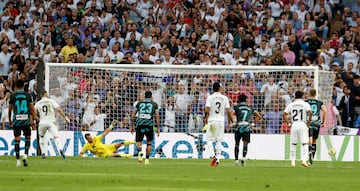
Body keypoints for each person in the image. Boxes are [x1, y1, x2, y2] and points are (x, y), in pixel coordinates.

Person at [204, 82, 235, 167]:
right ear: (219, 88)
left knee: (209, 140)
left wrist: (205, 119)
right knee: (219, 141)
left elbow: (207, 109)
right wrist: (229, 123)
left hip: (212, 120)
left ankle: (212, 155)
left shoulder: (210, 97)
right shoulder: (224, 98)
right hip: (221, 121)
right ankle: (217, 160)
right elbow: (229, 111)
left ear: (213, 88)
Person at [8, 79, 37, 167]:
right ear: (23, 86)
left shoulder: (13, 96)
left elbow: (10, 109)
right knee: (28, 137)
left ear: (16, 86)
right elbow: (32, 108)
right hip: (26, 119)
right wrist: (34, 119)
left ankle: (17, 160)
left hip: (17, 119)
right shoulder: (28, 96)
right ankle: (25, 155)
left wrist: (9, 119)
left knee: (17, 139)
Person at [34, 91, 70, 159]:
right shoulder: (51, 101)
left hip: (42, 123)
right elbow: (59, 109)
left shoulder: (38, 103)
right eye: (47, 94)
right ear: (45, 94)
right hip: (51, 122)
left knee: (42, 137)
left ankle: (43, 153)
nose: (48, 95)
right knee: (56, 137)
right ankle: (60, 150)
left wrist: (38, 119)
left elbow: (33, 113)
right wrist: (65, 118)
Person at [283, 90, 312, 167]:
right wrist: (308, 123)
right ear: (302, 96)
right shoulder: (305, 104)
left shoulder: (291, 104)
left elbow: (284, 113)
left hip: (294, 124)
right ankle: (304, 161)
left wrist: (288, 123)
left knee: (293, 144)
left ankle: (293, 162)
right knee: (305, 143)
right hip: (303, 124)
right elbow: (310, 112)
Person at [131, 91, 160, 165]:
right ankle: (147, 160)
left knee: (139, 142)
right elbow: (157, 116)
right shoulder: (154, 104)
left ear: (144, 96)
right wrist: (158, 128)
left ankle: (140, 153)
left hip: (140, 124)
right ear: (151, 96)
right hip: (149, 125)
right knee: (149, 143)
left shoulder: (139, 103)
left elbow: (133, 114)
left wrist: (132, 125)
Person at [233, 94, 261, 166]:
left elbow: (231, 113)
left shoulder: (236, 107)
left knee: (237, 143)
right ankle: (243, 158)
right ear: (245, 100)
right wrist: (253, 124)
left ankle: (236, 160)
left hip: (238, 126)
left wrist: (233, 122)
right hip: (246, 126)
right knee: (245, 144)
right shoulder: (250, 108)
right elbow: (258, 116)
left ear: (239, 100)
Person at [305, 89, 327, 165]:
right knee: (314, 141)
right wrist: (323, 122)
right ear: (315, 94)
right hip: (317, 123)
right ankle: (312, 159)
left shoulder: (306, 102)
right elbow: (325, 111)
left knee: (309, 140)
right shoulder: (319, 102)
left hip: (308, 123)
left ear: (309, 93)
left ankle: (309, 151)